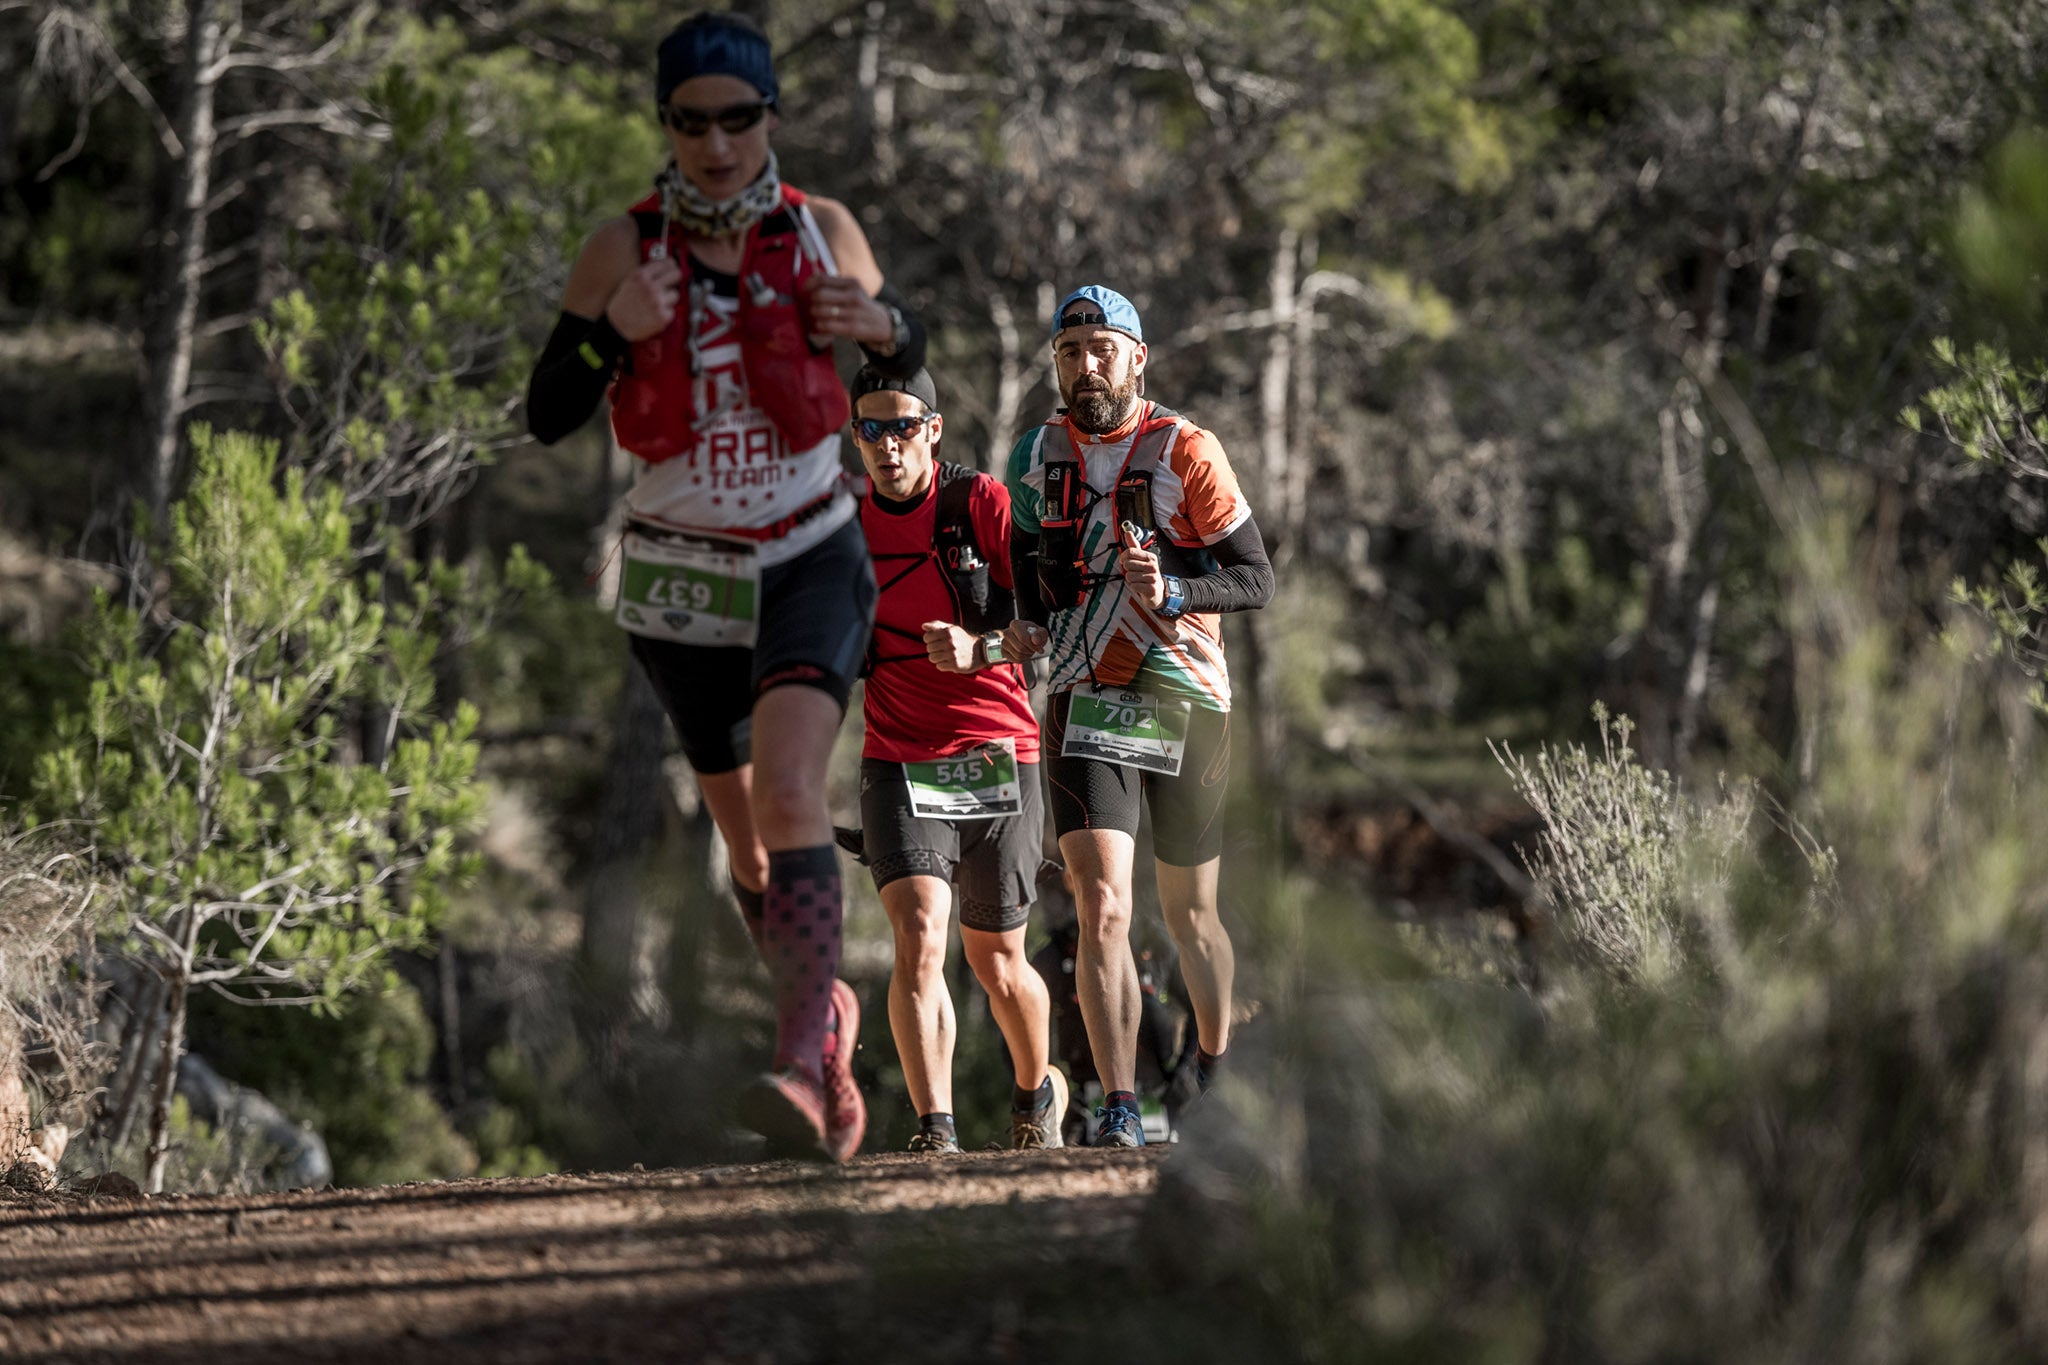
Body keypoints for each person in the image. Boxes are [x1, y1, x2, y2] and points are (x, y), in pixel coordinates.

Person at [522, 12, 928, 1163]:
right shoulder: (621, 250)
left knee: (797, 795)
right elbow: (548, 410)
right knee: (748, 849)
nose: (713, 144)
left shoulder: (821, 230)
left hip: (808, 552)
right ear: (667, 125)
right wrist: (608, 333)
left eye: (735, 119)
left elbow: (908, 364)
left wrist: (884, 327)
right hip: (681, 577)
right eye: (690, 122)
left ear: (769, 120)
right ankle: (830, 1033)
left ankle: (801, 1063)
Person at [1000, 286, 1274, 1147]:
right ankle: (1121, 1103)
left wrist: (1179, 589)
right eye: (1071, 351)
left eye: (1103, 349)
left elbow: (1257, 577)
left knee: (1193, 915)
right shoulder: (1035, 455)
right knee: (1101, 907)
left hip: (1186, 697)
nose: (1087, 366)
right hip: (1085, 696)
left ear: (1137, 357)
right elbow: (1025, 585)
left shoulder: (1187, 448)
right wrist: (1007, 629)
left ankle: (1215, 1061)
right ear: (1056, 362)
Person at [845, 364, 1068, 1153]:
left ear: (932, 429)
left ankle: (1035, 1094)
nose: (886, 444)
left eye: (902, 425)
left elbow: (1046, 621)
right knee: (917, 932)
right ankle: (934, 1130)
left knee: (999, 961)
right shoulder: (845, 523)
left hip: (995, 748)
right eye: (869, 429)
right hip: (897, 754)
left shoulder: (976, 504)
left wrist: (980, 648)